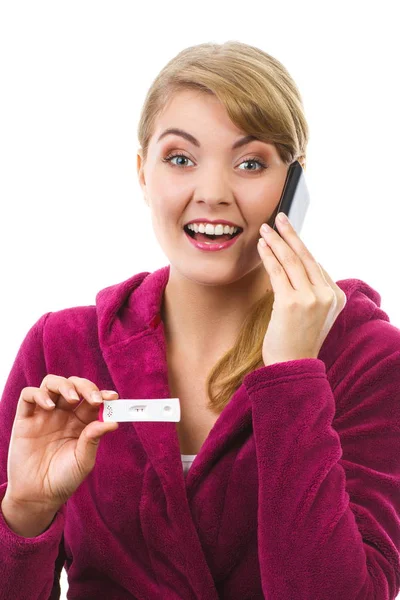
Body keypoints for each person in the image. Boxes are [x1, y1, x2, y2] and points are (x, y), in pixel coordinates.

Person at [1, 40, 399, 600]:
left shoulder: (367, 358)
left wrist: (293, 376)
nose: (212, 194)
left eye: (251, 163)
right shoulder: (60, 349)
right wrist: (27, 511)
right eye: (180, 159)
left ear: (294, 187)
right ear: (143, 173)